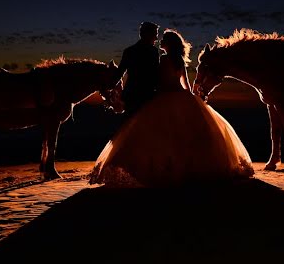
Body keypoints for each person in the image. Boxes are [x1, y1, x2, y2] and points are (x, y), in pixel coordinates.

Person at [89, 29, 255, 187]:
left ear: (168, 44)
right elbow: (186, 85)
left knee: (160, 136)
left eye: (164, 40)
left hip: (165, 96)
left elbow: (158, 81)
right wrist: (193, 99)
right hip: (181, 95)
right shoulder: (179, 61)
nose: (160, 40)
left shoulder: (163, 60)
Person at [116, 21, 161, 115]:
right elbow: (156, 75)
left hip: (131, 96)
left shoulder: (129, 51)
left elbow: (118, 74)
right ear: (147, 34)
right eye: (155, 34)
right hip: (148, 97)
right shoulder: (153, 52)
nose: (156, 38)